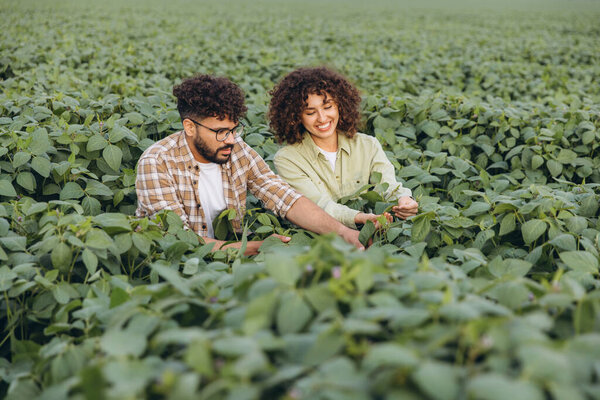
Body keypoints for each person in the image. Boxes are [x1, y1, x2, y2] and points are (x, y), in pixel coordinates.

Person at [135, 74, 363, 255]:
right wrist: (259, 246)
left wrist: (343, 232)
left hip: (231, 256)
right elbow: (178, 240)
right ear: (190, 127)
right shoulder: (157, 163)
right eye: (221, 132)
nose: (231, 140)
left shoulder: (237, 149)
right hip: (176, 264)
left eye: (234, 129)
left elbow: (283, 197)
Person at [268, 66, 418, 229]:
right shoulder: (288, 159)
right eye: (310, 113)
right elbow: (318, 206)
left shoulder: (368, 145)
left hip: (376, 230)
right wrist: (359, 218)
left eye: (328, 107)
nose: (322, 118)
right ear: (295, 117)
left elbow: (387, 186)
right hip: (321, 240)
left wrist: (404, 201)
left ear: (341, 105)